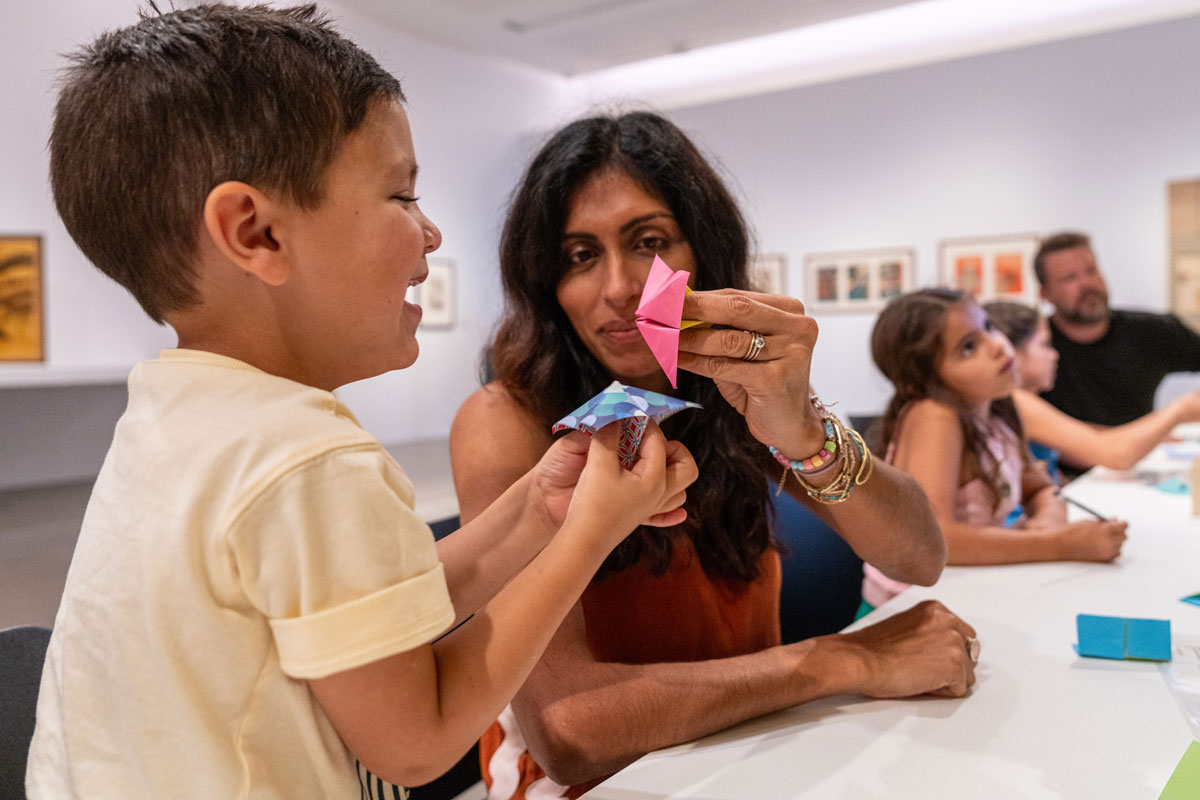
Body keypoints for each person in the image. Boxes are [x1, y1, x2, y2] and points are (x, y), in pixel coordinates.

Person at [27, 7, 699, 798]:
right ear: (256, 233)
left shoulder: (177, 413)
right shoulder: (311, 457)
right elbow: (416, 741)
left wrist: (539, 512)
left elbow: (376, 616)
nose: (433, 232)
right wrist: (591, 533)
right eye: (401, 195)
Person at [450, 111, 980, 800]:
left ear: (704, 252)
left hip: (751, 756)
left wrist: (804, 431)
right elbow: (570, 731)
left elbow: (919, 555)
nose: (618, 287)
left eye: (648, 241)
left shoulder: (730, 389)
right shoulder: (508, 420)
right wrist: (847, 659)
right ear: (546, 284)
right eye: (579, 256)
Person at [863, 289, 1126, 607]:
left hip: (969, 590)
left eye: (988, 327)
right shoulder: (934, 415)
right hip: (906, 609)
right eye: (969, 348)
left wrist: (1046, 519)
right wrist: (1057, 544)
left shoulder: (998, 411)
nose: (997, 346)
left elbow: (1040, 489)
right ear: (921, 381)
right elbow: (936, 539)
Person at [986, 300, 1200, 481]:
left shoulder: (1019, 402)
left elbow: (1082, 437)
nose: (1055, 355)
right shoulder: (1017, 402)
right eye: (1045, 344)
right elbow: (1114, 453)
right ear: (1012, 353)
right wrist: (1179, 411)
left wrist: (1156, 433)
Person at [1036, 231, 1200, 429]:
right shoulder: (1035, 346)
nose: (1087, 284)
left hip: (1143, 457)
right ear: (1045, 293)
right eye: (1069, 278)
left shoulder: (1150, 331)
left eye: (1091, 271)